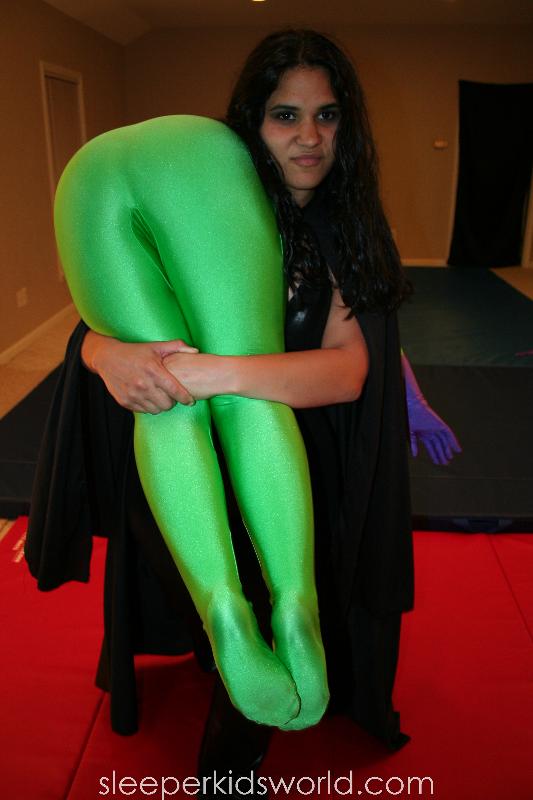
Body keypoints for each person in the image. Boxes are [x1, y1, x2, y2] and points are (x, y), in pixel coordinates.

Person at [26, 28, 459, 800]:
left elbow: (347, 371)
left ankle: (227, 772)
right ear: (249, 124)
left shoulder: (345, 233)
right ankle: (232, 643)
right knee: (215, 603)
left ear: (347, 128)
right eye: (284, 115)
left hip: (285, 477)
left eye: (326, 116)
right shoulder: (201, 204)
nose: (308, 137)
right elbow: (113, 321)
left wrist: (208, 375)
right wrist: (104, 352)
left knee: (251, 621)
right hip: (185, 477)